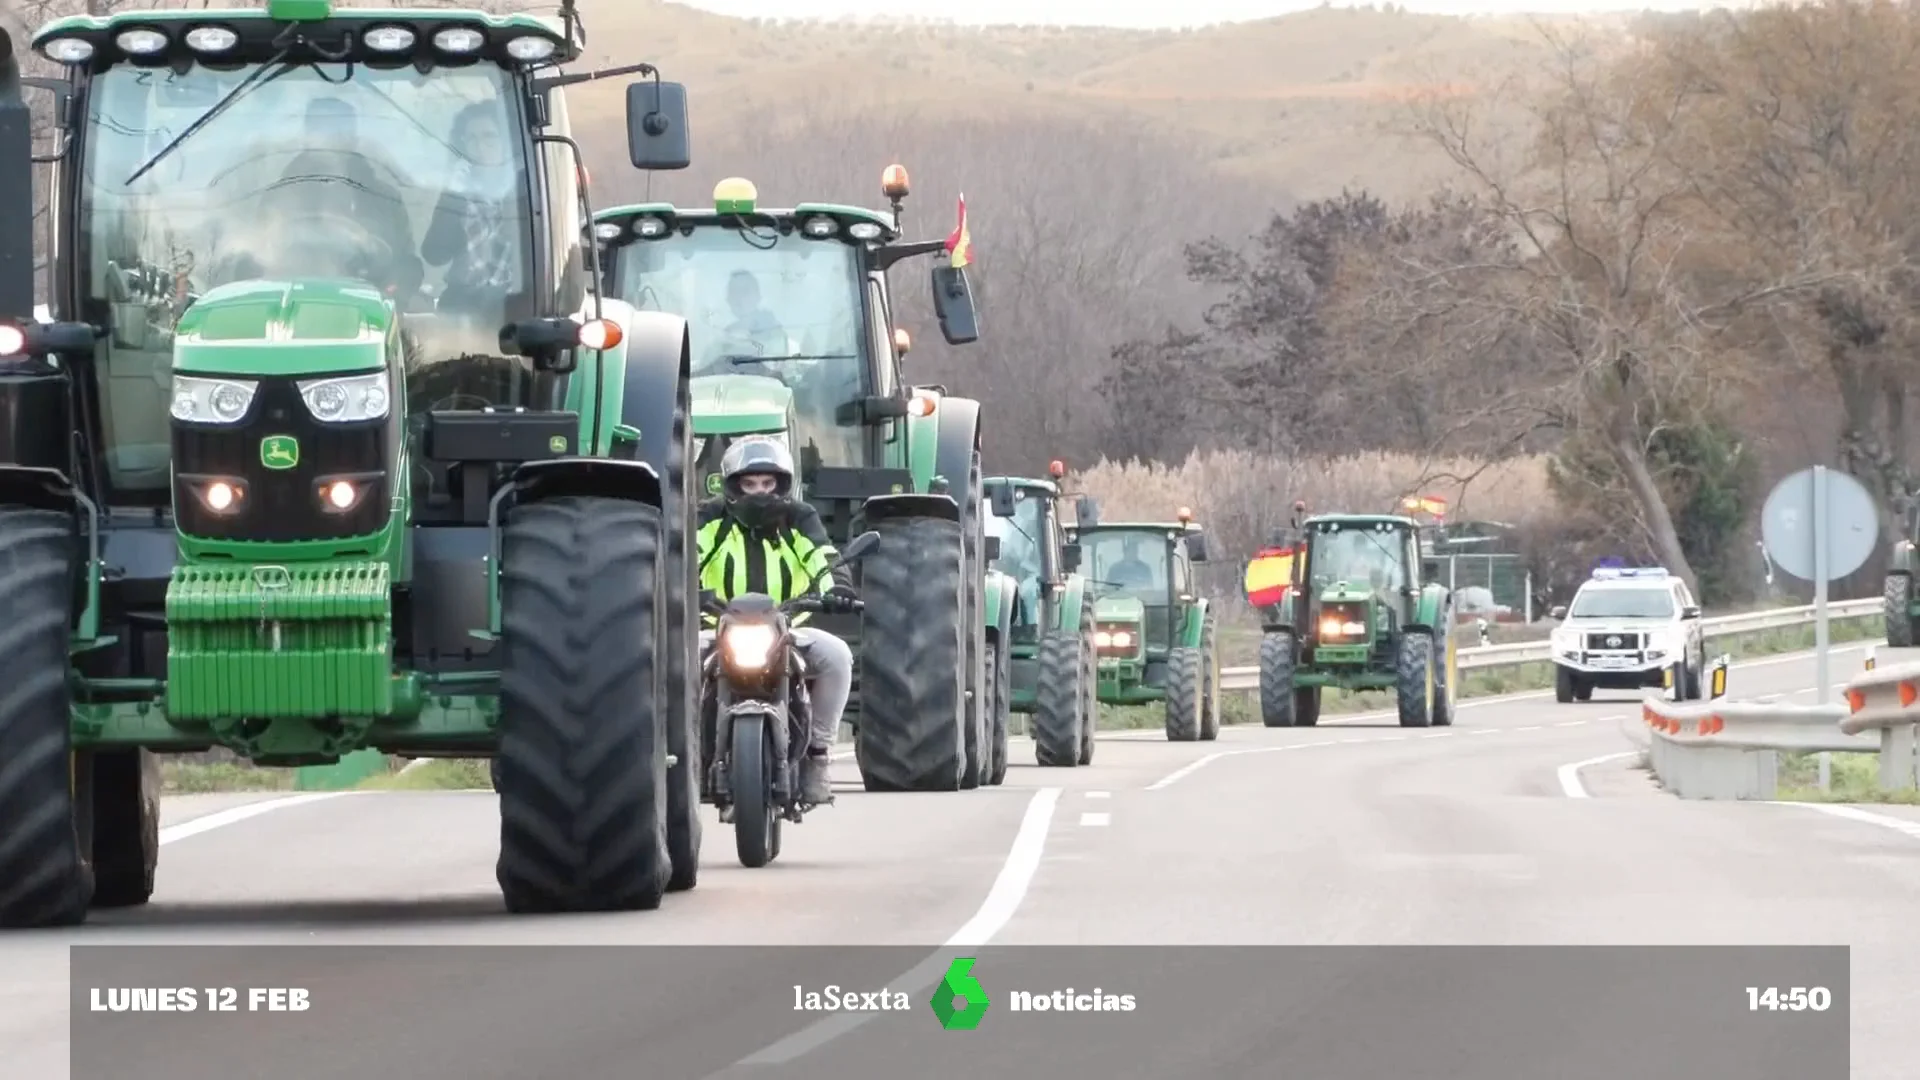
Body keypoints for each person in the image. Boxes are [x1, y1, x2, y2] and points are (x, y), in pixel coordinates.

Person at [695, 436, 856, 806]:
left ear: (784, 484)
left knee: (837, 656)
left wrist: (839, 587)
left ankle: (817, 753)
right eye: (749, 485)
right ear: (731, 485)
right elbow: (686, 556)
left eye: (768, 484)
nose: (759, 493)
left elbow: (823, 556)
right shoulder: (709, 517)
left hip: (787, 627)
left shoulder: (799, 518)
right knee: (678, 659)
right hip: (718, 627)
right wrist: (682, 587)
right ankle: (685, 752)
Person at [275, 97, 420, 296]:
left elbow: (407, 265)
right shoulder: (280, 197)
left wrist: (391, 289)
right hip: (289, 307)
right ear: (306, 138)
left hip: (369, 310)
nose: (330, 140)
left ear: (353, 140)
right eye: (321, 130)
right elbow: (256, 259)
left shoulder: (385, 199)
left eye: (338, 131)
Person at [423, 101, 524, 318]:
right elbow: (434, 254)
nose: (481, 146)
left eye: (489, 136)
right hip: (463, 304)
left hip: (513, 304)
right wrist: (454, 195)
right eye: (472, 139)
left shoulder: (525, 190)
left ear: (505, 142)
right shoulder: (457, 192)